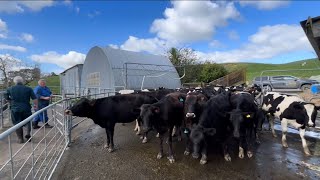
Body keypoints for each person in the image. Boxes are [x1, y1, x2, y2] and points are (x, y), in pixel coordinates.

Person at [4, 76, 38, 143]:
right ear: (22, 81)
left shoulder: (10, 88)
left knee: (17, 123)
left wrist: (10, 101)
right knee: (28, 121)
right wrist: (35, 106)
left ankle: (20, 139)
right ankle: (28, 134)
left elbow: (6, 97)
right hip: (26, 107)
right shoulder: (28, 88)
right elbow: (34, 98)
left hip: (15, 108)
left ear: (15, 81)